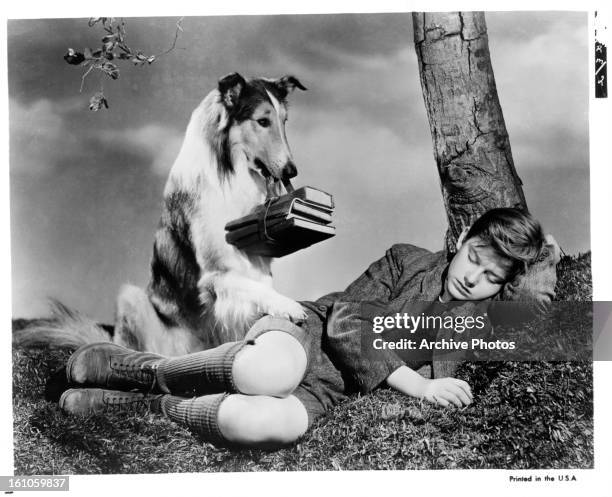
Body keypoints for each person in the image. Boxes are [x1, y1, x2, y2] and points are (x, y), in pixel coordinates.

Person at [58, 208, 560, 448]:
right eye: (474, 257)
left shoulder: (478, 325)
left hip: (330, 392)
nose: (474, 277)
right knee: (267, 374)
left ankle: (135, 404)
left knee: (260, 424)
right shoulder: (407, 259)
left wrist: (544, 256)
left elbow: (536, 306)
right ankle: (142, 370)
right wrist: (421, 386)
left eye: (493, 277)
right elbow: (346, 324)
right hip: (307, 334)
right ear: (463, 236)